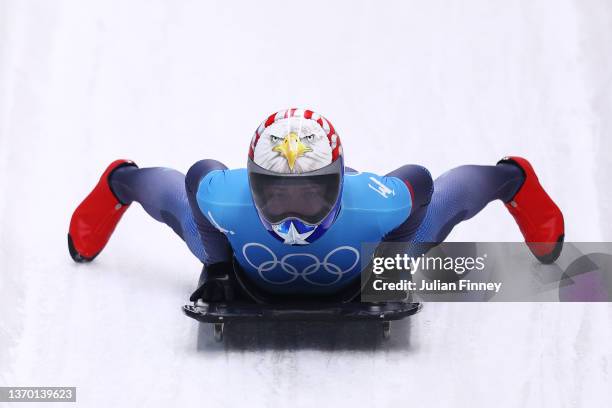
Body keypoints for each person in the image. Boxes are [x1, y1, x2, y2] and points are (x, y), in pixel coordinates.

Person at [67, 108, 564, 301]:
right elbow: (198, 178)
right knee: (175, 201)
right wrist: (219, 265)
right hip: (260, 251)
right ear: (254, 186)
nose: (292, 214)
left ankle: (512, 179)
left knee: (441, 210)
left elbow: (419, 183)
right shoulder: (227, 197)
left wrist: (387, 263)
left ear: (338, 186)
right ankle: (119, 182)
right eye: (276, 194)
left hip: (353, 246)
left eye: (310, 194)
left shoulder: (373, 204)